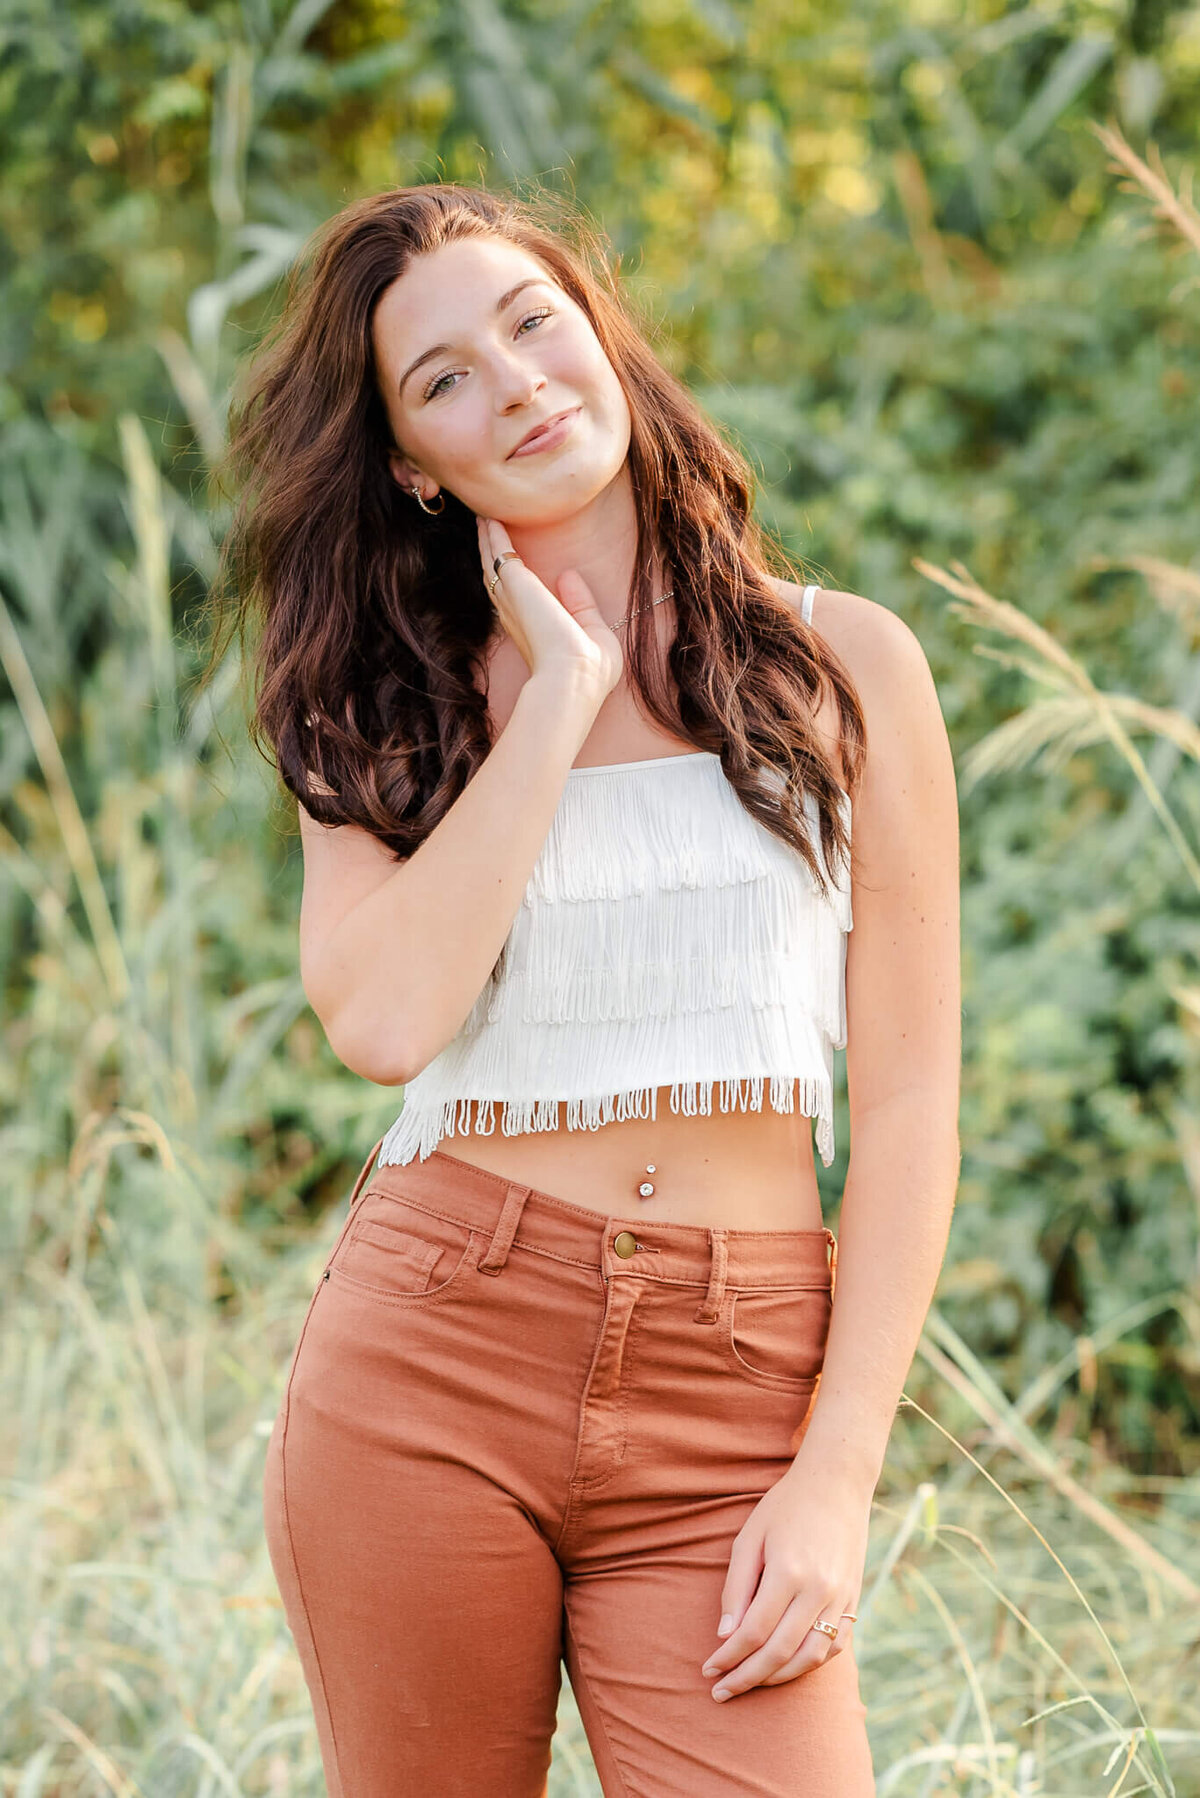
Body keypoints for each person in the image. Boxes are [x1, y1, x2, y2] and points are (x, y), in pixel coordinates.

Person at [215, 180, 961, 1797]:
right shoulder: (381, 695)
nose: (518, 381)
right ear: (417, 462)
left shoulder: (848, 669)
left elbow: (908, 1104)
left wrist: (835, 1480)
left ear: (601, 333)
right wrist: (557, 699)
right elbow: (383, 1023)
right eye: (447, 378)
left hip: (739, 1375)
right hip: (435, 1352)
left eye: (532, 322)